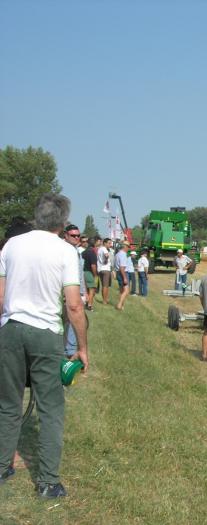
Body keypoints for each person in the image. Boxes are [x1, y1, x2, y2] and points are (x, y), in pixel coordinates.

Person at [0, 193, 89, 499]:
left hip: (10, 329)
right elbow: (74, 306)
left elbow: (0, 296)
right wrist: (81, 347)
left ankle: (1, 468)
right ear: (63, 222)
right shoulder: (65, 251)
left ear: (37, 216)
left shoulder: (12, 245)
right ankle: (48, 481)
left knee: (8, 404)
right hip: (46, 332)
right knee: (50, 409)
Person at [62, 225, 87, 358]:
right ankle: (69, 351)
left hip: (78, 292)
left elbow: (79, 274)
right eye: (73, 235)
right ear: (65, 235)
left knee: (74, 323)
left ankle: (69, 349)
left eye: (78, 235)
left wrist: (84, 292)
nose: (76, 238)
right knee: (68, 323)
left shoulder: (76, 251)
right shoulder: (63, 250)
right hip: (68, 293)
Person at [81, 237, 98, 310]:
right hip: (89, 272)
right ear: (94, 243)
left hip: (84, 271)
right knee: (92, 289)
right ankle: (89, 306)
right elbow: (93, 265)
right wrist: (95, 275)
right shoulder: (92, 252)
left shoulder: (84, 251)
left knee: (88, 289)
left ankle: (87, 303)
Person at [114, 241, 130, 311]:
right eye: (128, 247)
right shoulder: (123, 254)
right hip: (122, 273)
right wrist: (124, 278)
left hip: (118, 272)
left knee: (122, 290)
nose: (128, 249)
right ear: (125, 246)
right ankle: (119, 304)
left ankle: (122, 306)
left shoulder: (117, 254)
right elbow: (122, 267)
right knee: (126, 291)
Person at [97, 238, 113, 304]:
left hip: (100, 269)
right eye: (109, 243)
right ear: (104, 243)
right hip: (106, 269)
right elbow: (106, 255)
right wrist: (106, 259)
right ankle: (105, 300)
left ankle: (104, 299)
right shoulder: (104, 249)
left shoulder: (100, 249)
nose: (110, 244)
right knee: (105, 286)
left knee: (103, 285)